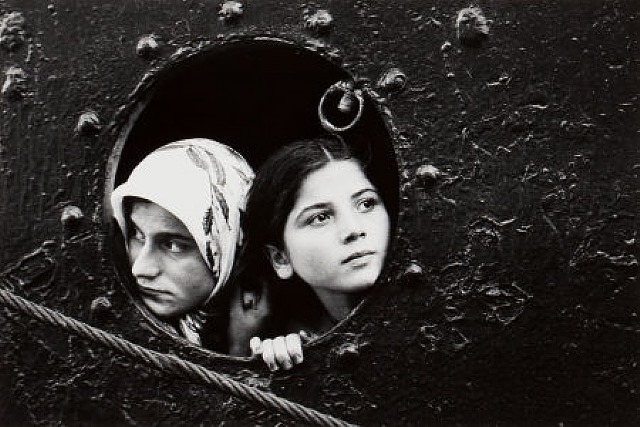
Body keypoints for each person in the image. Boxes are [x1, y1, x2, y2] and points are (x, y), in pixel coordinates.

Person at [237, 134, 391, 370]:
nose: (353, 230)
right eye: (320, 217)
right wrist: (283, 358)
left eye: (366, 204)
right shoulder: (299, 339)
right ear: (280, 258)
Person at [110, 138, 269, 353]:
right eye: (138, 234)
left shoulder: (286, 341)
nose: (140, 269)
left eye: (173, 245)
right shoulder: (107, 325)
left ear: (227, 247)